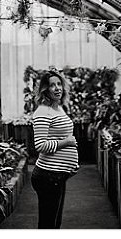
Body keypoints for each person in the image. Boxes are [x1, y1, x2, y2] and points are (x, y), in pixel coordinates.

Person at [31, 70, 79, 228]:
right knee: (48, 224)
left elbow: (61, 137)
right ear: (45, 89)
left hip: (57, 176)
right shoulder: (43, 112)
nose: (57, 88)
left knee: (55, 223)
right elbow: (40, 145)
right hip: (47, 177)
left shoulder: (58, 108)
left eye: (59, 84)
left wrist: (69, 166)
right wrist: (66, 142)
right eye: (52, 85)